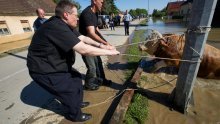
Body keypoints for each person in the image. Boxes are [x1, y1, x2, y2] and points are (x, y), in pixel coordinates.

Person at [27, 1, 119, 122]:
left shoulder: (66, 25)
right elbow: (83, 49)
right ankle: (74, 115)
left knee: (76, 78)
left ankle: (76, 103)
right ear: (66, 15)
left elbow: (83, 38)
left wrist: (102, 46)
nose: (77, 18)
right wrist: (110, 53)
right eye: (75, 15)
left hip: (56, 65)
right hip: (43, 69)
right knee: (68, 90)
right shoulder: (56, 27)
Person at [79, 0, 114, 90]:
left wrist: (105, 41)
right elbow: (91, 33)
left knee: (98, 63)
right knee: (92, 67)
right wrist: (104, 44)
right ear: (94, 1)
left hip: (93, 43)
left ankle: (102, 80)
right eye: (101, 2)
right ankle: (88, 85)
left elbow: (96, 29)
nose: (103, 4)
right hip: (85, 44)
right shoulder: (87, 13)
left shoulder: (95, 13)